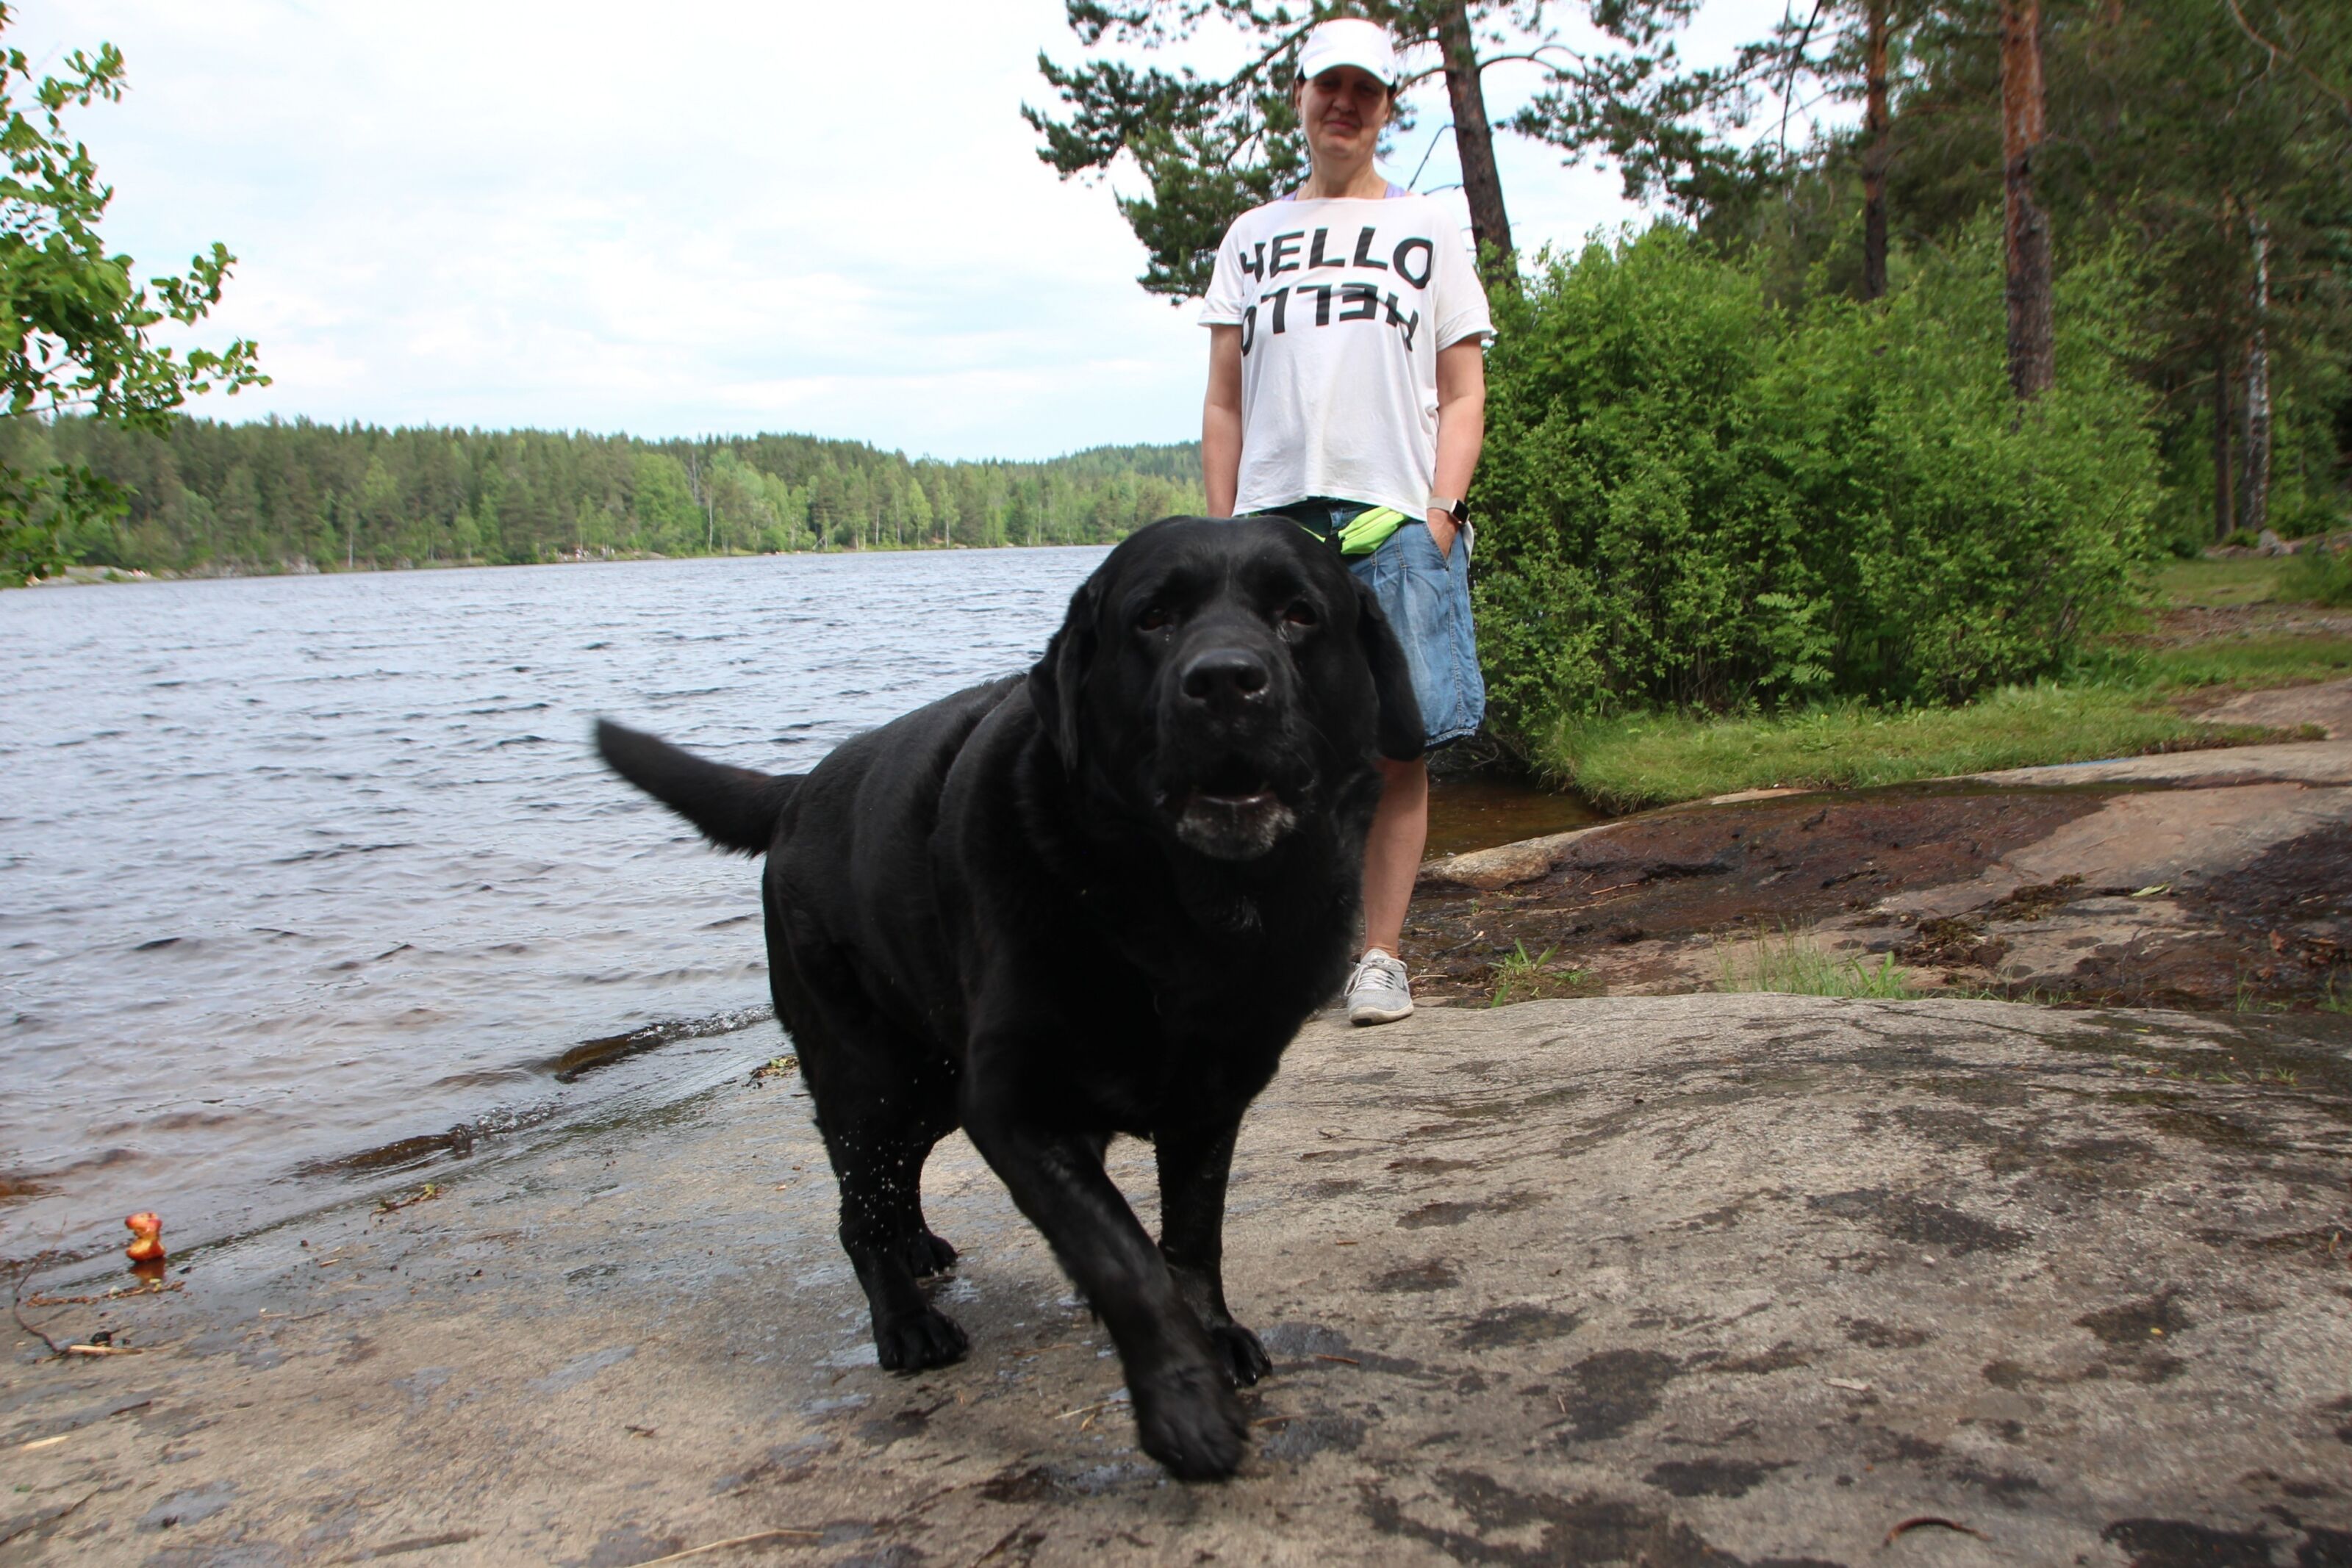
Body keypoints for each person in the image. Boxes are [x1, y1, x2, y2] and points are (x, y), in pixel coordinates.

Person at [1199, 15, 1493, 1026]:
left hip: (1394, 521)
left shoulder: (1429, 229)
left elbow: (1464, 389)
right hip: (1273, 532)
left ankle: (1380, 957)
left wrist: (1442, 512)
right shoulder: (1251, 237)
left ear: (1386, 109)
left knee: (1398, 746)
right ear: (1301, 96)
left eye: (1365, 90)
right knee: (1267, 746)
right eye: (1329, 85)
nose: (1345, 105)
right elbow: (1225, 401)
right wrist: (1220, 535)